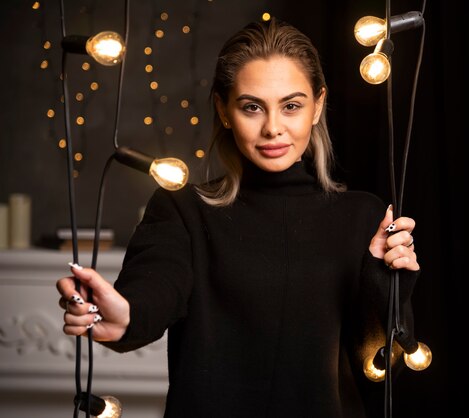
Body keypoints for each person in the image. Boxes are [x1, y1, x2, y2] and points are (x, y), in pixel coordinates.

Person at [56, 17, 420, 418]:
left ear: (318, 106)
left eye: (291, 106)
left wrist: (385, 287)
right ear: (223, 110)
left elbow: (382, 373)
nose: (273, 128)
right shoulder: (183, 210)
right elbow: (155, 288)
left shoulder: (364, 217)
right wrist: (126, 315)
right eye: (252, 107)